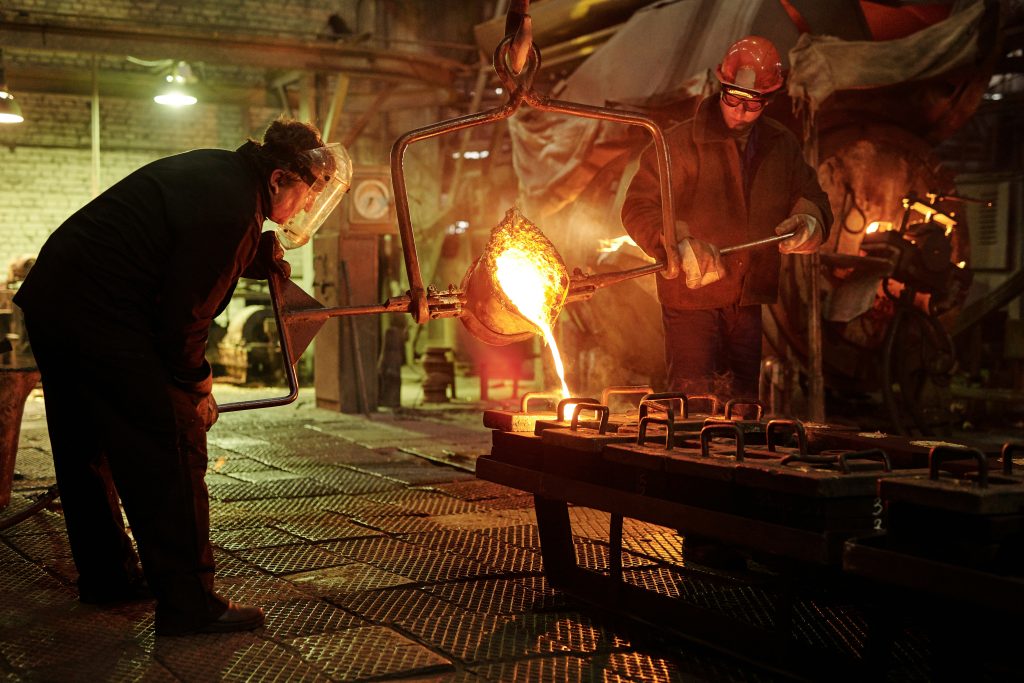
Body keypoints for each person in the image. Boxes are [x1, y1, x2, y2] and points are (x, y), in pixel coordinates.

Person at [13, 117, 352, 635]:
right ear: (281, 178)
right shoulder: (235, 209)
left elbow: (173, 249)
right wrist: (196, 387)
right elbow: (183, 321)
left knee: (85, 445)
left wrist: (247, 256)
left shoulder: (222, 173)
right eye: (307, 193)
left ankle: (108, 578)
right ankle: (189, 603)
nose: (307, 207)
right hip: (101, 315)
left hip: (56, 302)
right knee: (172, 442)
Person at [622, 36, 833, 402]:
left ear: (768, 100)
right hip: (691, 300)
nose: (738, 112)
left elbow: (814, 198)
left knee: (742, 408)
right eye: (731, 99)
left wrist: (809, 221)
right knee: (695, 404)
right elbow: (638, 207)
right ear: (721, 87)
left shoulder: (781, 147)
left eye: (750, 104)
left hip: (747, 299)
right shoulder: (678, 144)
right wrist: (677, 242)